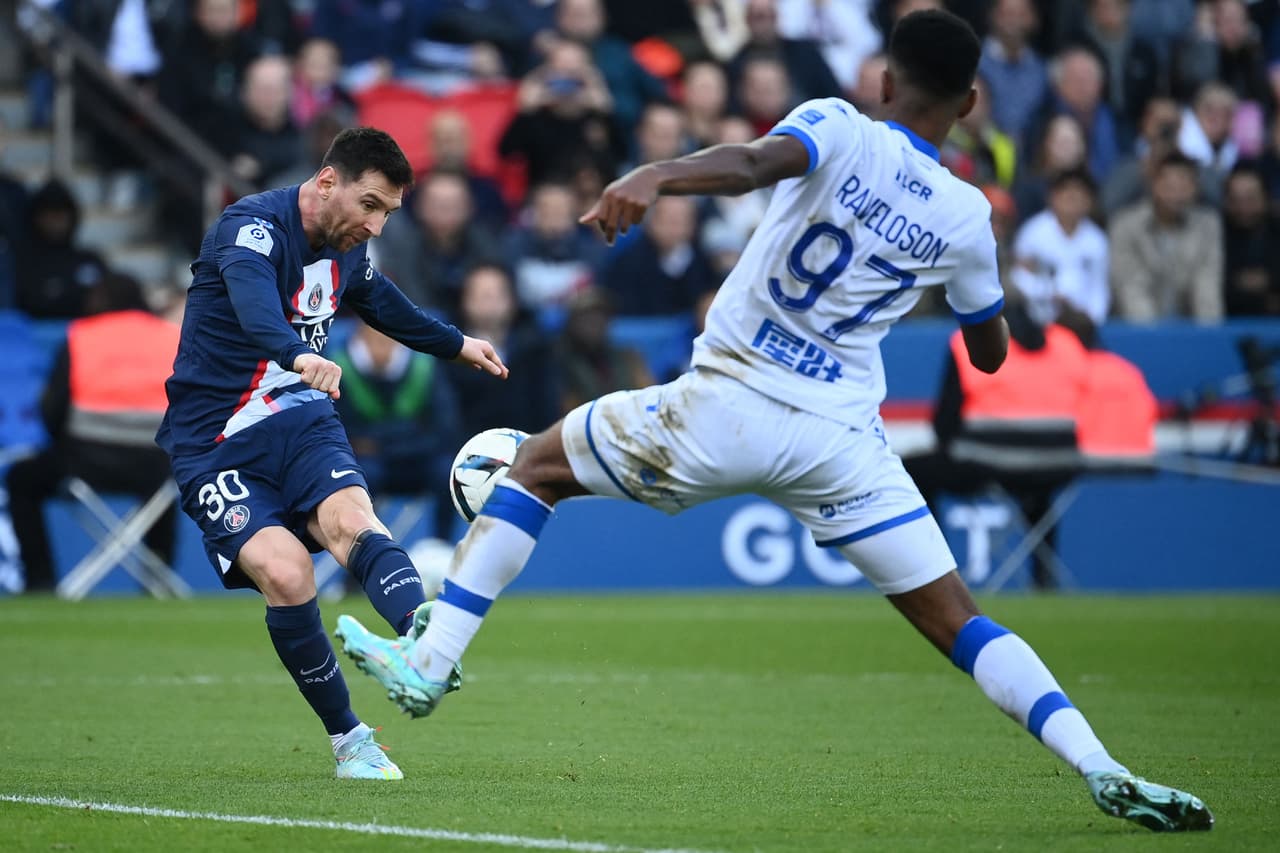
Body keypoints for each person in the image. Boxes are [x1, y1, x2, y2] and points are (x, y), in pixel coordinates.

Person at [335, 11, 1213, 831]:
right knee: (962, 619)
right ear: (971, 103)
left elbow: (752, 166)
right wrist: (970, 291)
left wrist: (654, 173)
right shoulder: (967, 216)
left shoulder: (837, 124)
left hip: (728, 403)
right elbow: (990, 352)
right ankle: (1097, 761)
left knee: (535, 468)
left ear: (881, 79)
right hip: (840, 442)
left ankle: (432, 659)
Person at [155, 127, 507, 781]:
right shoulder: (250, 229)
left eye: (388, 213)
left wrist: (457, 342)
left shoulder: (348, 251)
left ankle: (420, 645)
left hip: (301, 421)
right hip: (215, 440)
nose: (375, 224)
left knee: (354, 521)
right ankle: (351, 741)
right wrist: (298, 353)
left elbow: (382, 303)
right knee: (288, 575)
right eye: (370, 204)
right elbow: (257, 308)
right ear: (326, 183)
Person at [7, 273, 180, 593]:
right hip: (157, 464)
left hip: (83, 460)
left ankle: (40, 580)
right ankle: (157, 578)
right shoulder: (171, 337)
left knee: (21, 479)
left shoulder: (81, 336)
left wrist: (62, 446)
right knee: (163, 488)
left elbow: (52, 410)